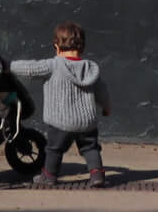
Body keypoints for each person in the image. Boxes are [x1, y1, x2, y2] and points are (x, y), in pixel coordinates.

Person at [10, 20, 112, 187]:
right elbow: (102, 92)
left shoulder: (53, 65)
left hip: (60, 122)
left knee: (53, 150)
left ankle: (49, 176)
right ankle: (97, 175)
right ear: (82, 47)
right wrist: (107, 108)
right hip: (87, 122)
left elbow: (30, 68)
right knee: (91, 149)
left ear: (56, 46)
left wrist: (9, 66)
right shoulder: (91, 69)